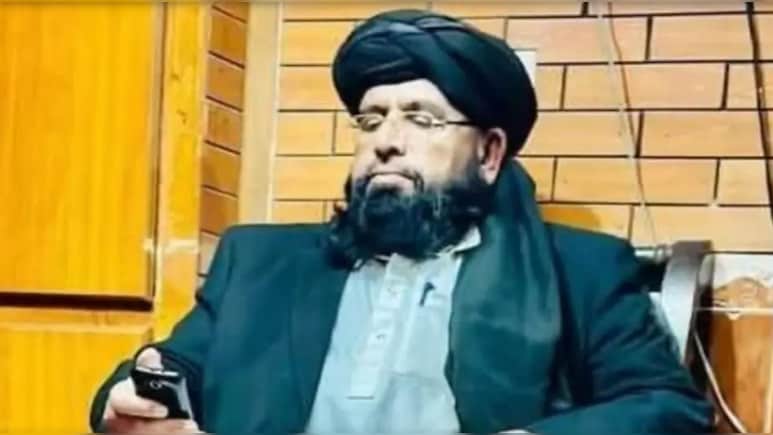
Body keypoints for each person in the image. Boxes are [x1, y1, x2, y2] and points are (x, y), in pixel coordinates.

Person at [90, 9, 713, 434]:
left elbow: (668, 408)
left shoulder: (578, 271)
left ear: (489, 153)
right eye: (371, 119)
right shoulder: (260, 262)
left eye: (421, 118)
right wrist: (127, 401)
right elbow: (167, 368)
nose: (386, 140)